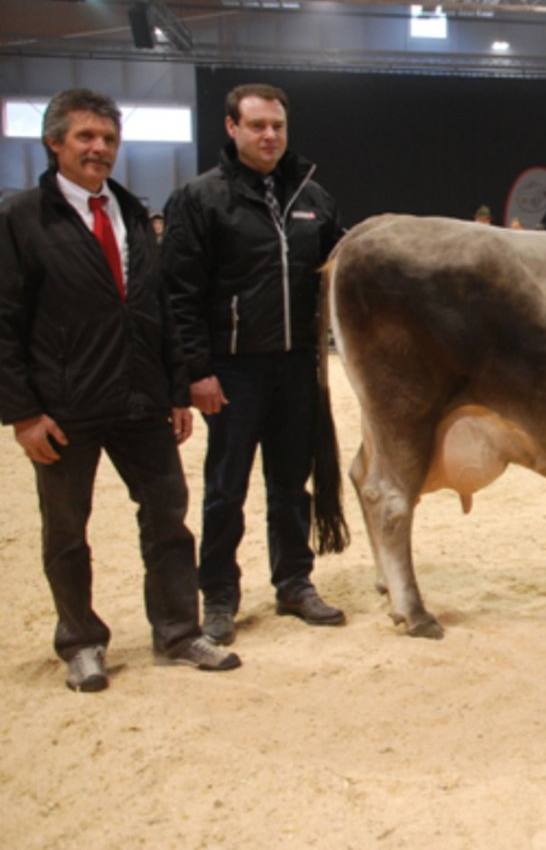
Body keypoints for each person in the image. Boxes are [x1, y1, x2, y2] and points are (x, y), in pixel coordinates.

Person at [0, 88, 241, 691]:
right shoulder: (22, 217)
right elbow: (4, 320)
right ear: (54, 142)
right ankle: (81, 642)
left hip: (140, 398)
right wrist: (24, 414)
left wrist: (177, 389)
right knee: (66, 530)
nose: (99, 148)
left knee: (167, 516)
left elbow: (157, 305)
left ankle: (178, 633)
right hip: (65, 405)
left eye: (107, 138)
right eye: (85, 137)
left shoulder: (132, 213)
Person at [162, 83, 345, 645]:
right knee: (226, 489)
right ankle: (218, 594)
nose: (270, 136)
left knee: (292, 484)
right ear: (232, 127)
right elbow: (178, 295)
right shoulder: (200, 199)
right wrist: (196, 371)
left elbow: (344, 268)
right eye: (258, 125)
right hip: (232, 370)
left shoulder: (313, 197)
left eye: (278, 127)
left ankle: (293, 581)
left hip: (296, 367)